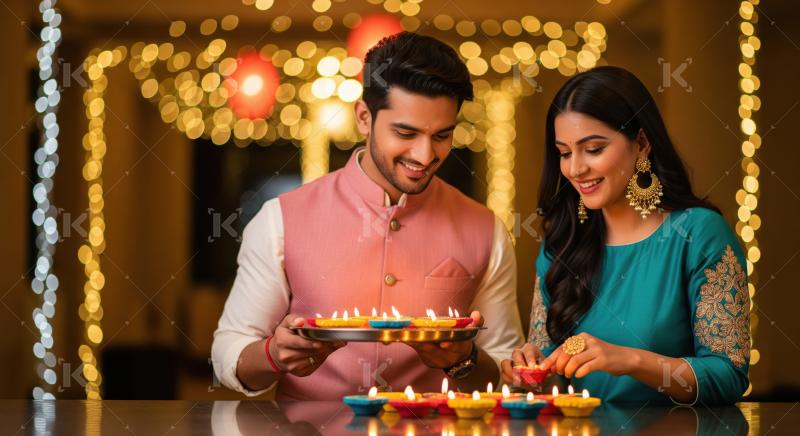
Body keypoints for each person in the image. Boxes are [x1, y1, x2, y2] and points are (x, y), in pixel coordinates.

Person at [212, 32, 524, 400]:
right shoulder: (279, 219)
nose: (425, 156)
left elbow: (508, 373)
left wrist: (464, 359)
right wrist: (273, 355)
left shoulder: (486, 229)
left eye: (442, 135)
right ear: (364, 117)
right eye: (405, 133)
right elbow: (228, 353)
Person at [501, 66, 750, 405]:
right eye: (564, 152)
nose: (575, 169)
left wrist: (630, 360)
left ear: (642, 144)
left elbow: (728, 375)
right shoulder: (561, 243)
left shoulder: (697, 233)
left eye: (593, 149)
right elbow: (551, 374)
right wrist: (529, 370)